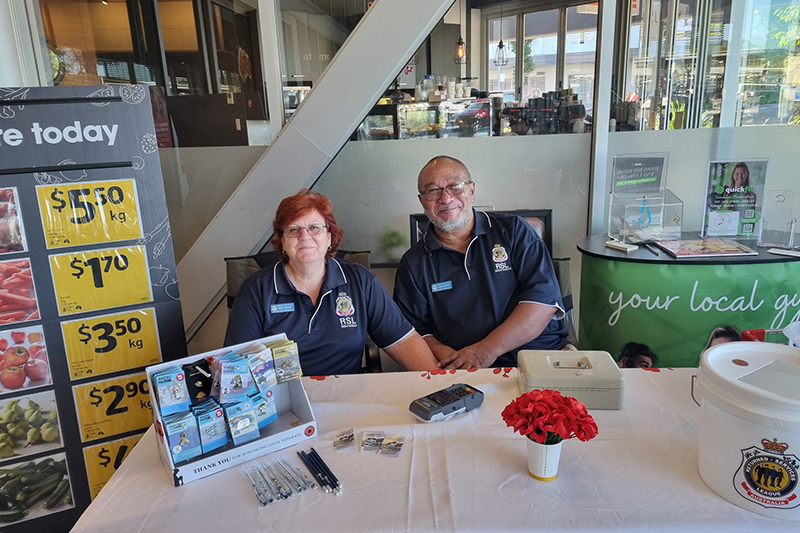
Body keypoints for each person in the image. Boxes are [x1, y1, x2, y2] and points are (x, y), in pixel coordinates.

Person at [224, 190, 438, 376]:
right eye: (293, 229)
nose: (305, 237)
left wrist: (439, 383)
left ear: (330, 237)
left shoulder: (360, 281)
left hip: (347, 395)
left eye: (315, 228)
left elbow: (403, 341)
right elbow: (239, 365)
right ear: (282, 241)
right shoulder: (255, 291)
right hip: (282, 400)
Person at [393, 155, 569, 370]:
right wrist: (454, 358)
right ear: (422, 201)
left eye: (455, 186)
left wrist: (485, 350)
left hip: (539, 357)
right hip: (463, 369)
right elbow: (416, 331)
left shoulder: (514, 231)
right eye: (432, 191)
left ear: (472, 190)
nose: (446, 198)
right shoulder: (413, 263)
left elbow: (542, 301)